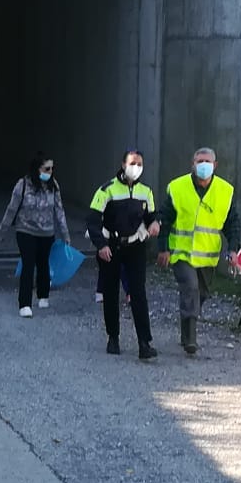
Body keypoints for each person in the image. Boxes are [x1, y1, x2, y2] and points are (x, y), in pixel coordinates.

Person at [157, 146, 239, 356]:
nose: (203, 165)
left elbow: (233, 224)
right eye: (199, 161)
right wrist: (163, 249)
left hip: (207, 257)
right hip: (181, 253)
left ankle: (185, 332)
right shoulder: (178, 187)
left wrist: (233, 250)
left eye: (207, 162)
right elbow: (164, 220)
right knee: (191, 288)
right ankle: (191, 341)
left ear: (215, 165)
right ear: (192, 164)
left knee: (200, 294)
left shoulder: (225, 191)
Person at [88, 151, 160, 361]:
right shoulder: (107, 189)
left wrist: (154, 223)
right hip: (111, 245)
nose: (135, 167)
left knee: (138, 293)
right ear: (123, 164)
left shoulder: (145, 191)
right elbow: (93, 220)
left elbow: (151, 216)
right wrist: (101, 245)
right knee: (111, 292)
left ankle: (144, 343)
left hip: (135, 246)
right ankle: (113, 337)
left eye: (139, 164)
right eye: (132, 163)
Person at [0, 152, 71, 319]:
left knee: (43, 263)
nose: (50, 172)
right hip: (26, 230)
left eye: (52, 169)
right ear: (37, 169)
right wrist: (3, 230)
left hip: (47, 232)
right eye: (46, 168)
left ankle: (43, 295)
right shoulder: (23, 185)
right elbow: (12, 208)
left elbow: (59, 210)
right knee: (28, 265)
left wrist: (65, 233)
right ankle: (24, 304)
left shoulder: (54, 186)